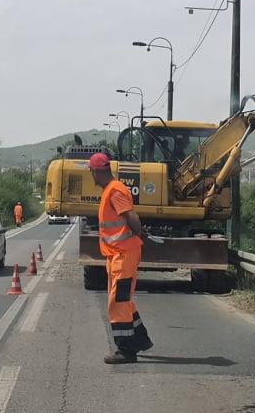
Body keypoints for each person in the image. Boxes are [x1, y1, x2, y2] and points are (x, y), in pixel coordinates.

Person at [89, 152, 153, 364]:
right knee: (124, 301)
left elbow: (130, 215)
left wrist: (138, 230)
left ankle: (126, 350)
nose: (91, 176)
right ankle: (140, 340)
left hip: (124, 255)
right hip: (118, 255)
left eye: (91, 172)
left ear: (96, 171)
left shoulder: (114, 190)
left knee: (118, 302)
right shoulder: (111, 189)